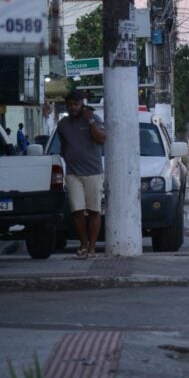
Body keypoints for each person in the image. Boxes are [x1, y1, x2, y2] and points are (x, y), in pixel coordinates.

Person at [58, 92, 107, 259]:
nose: (73, 107)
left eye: (76, 104)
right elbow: (63, 145)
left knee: (94, 210)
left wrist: (90, 121)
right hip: (73, 173)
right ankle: (83, 244)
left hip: (93, 172)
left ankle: (92, 248)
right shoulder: (63, 124)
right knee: (76, 210)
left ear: (82, 104)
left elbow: (102, 139)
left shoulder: (94, 119)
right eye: (70, 104)